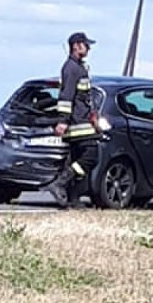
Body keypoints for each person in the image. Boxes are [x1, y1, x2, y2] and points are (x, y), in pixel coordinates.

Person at [47, 31, 100, 209]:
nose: (89, 48)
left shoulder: (79, 68)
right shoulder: (71, 69)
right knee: (91, 156)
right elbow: (66, 96)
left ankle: (73, 200)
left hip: (83, 121)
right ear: (76, 46)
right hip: (78, 124)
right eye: (86, 44)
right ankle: (60, 183)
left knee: (78, 159)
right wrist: (63, 120)